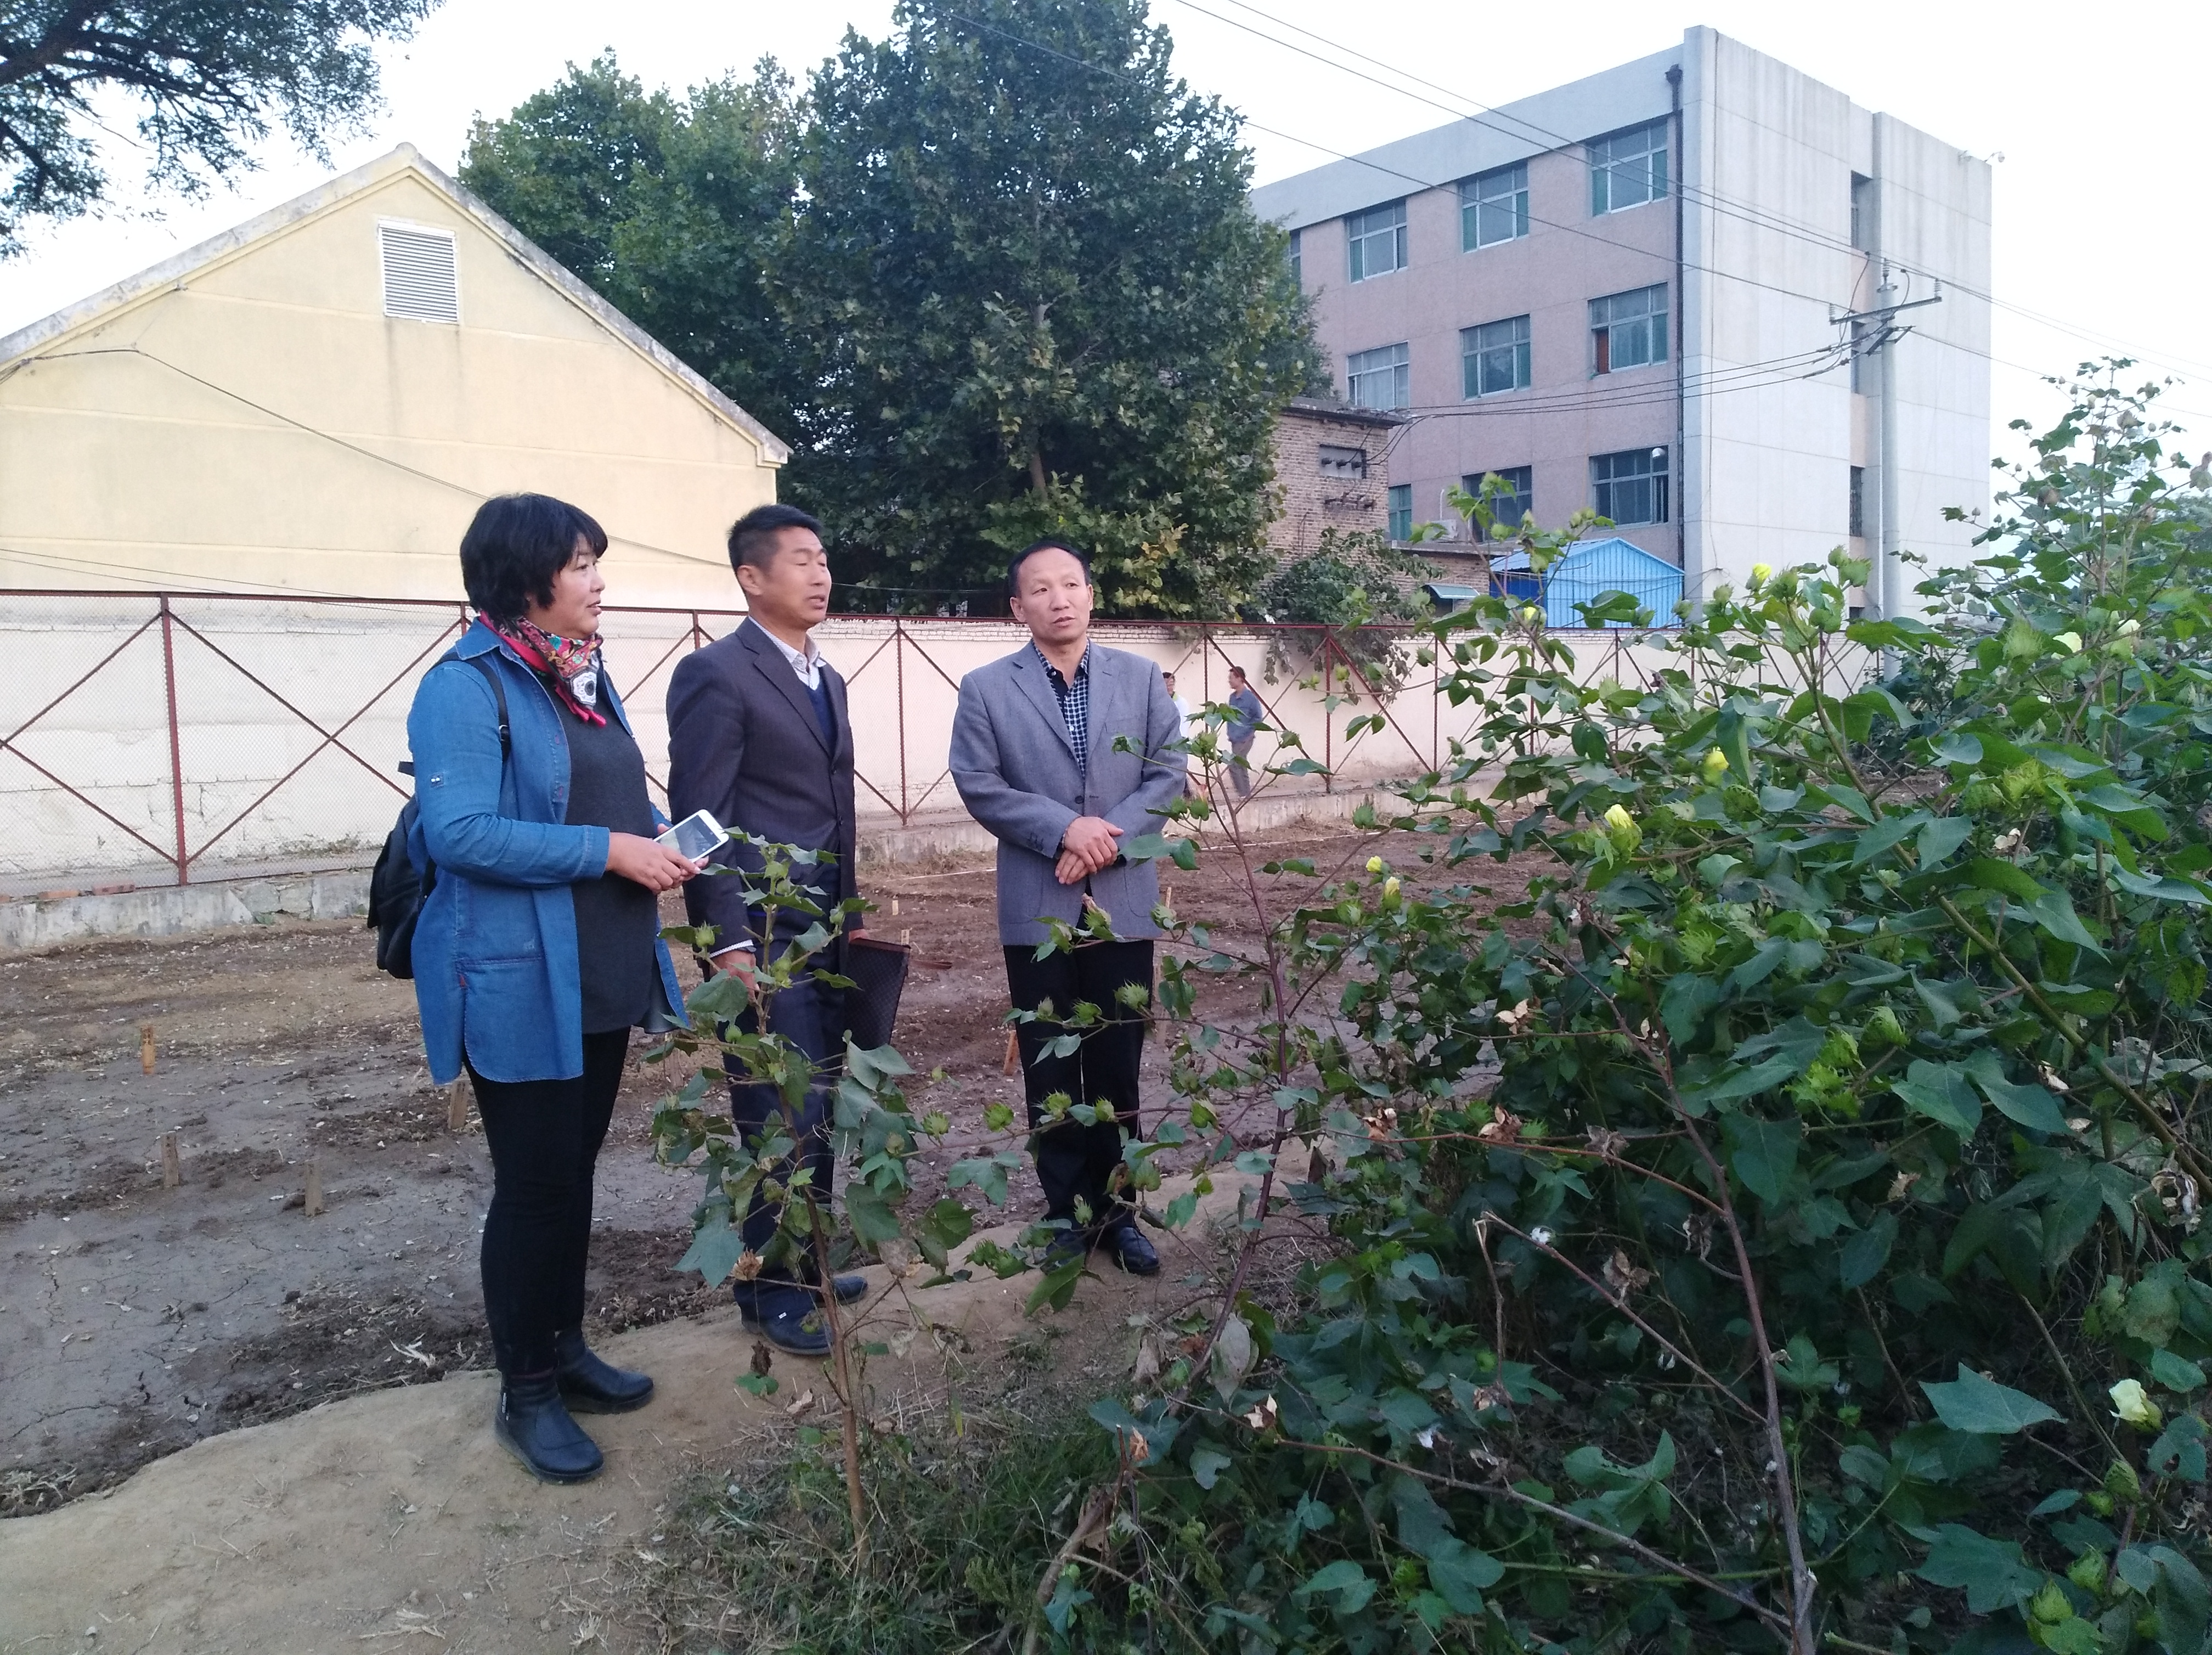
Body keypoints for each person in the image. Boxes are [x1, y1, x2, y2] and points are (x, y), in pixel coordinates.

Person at [405, 493, 698, 1484]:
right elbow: (461, 833)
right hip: (519, 977)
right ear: (526, 577)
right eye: (580, 564)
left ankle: (565, 1349)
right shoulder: (465, 686)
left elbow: (606, 796)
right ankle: (525, 1391)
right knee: (535, 1187)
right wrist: (608, 850)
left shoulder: (579, 675)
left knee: (573, 1174)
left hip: (602, 964)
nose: (599, 581)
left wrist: (654, 841)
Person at [949, 538, 1185, 1275]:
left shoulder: (1141, 679)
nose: (1060, 599)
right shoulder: (986, 688)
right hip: (1037, 903)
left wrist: (1102, 841)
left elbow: (1167, 774)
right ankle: (1065, 1213)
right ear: (1018, 606)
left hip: (1123, 902)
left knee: (1117, 1063)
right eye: (1042, 589)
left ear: (1090, 593)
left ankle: (1118, 1214)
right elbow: (980, 784)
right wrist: (1064, 829)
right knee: (1049, 1065)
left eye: (1072, 584)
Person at [666, 503, 866, 1356]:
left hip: (825, 931)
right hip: (764, 932)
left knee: (819, 1099)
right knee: (778, 1107)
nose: (820, 574)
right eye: (800, 560)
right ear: (752, 577)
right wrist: (729, 940)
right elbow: (697, 818)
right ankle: (771, 1288)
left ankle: (808, 1263)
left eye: (823, 558)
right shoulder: (717, 675)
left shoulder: (829, 678)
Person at [1224, 665, 1267, 800]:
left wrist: (1249, 731)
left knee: (1234, 764)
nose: (1229, 681)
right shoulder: (1232, 698)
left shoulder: (1251, 698)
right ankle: (1246, 794)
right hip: (1234, 738)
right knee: (1241, 765)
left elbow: (1258, 717)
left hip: (1245, 737)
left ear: (1240, 679)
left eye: (1231, 678)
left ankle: (1243, 794)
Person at [1163, 671, 1195, 797]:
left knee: (1178, 767)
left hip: (1178, 740)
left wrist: (1178, 740)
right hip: (1165, 741)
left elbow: (1184, 723)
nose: (1169, 687)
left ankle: (1186, 792)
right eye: (1166, 684)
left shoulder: (1181, 703)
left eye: (1171, 684)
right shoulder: (1159, 701)